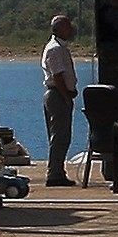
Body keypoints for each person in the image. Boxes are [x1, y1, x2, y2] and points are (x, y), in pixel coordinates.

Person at [40, 13, 81, 188]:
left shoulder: (61, 47)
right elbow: (57, 76)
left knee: (62, 135)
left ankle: (58, 171)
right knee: (59, 136)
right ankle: (54, 173)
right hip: (57, 95)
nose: (71, 28)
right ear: (59, 29)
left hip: (60, 94)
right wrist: (66, 96)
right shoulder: (55, 49)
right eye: (67, 26)